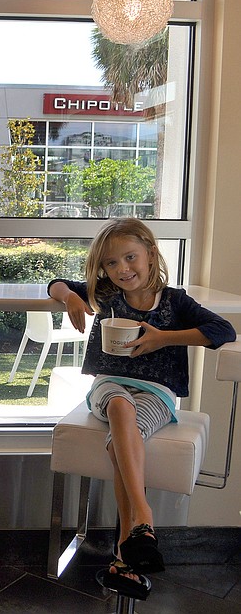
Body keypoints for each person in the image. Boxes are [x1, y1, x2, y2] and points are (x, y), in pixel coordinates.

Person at [48, 217, 235, 599]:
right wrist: (70, 297)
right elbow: (56, 283)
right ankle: (143, 518)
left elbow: (222, 330)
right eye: (111, 263)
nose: (122, 269)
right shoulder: (105, 293)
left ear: (150, 254)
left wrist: (164, 338)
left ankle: (125, 552)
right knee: (120, 407)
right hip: (109, 383)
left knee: (123, 437)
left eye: (130, 257)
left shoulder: (175, 302)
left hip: (157, 391)